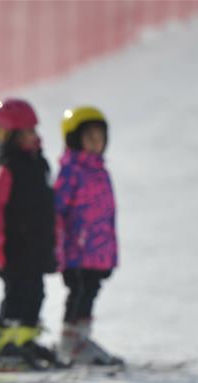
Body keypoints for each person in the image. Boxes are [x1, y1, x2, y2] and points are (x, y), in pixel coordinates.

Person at [0, 98, 58, 371]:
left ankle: (25, 341)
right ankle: (5, 347)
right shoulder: (7, 167)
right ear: (10, 136)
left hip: (37, 246)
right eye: (24, 133)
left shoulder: (39, 164)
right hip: (14, 247)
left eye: (33, 131)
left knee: (36, 294)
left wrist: (54, 239)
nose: (31, 137)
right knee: (16, 294)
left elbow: (49, 205)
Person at [54, 106, 123, 366]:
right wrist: (60, 248)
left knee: (91, 292)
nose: (96, 143)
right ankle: (69, 341)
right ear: (74, 139)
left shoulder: (100, 171)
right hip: (77, 250)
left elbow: (105, 217)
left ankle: (82, 338)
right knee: (79, 292)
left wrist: (109, 253)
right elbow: (59, 210)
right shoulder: (71, 171)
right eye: (89, 137)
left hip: (97, 252)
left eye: (100, 137)